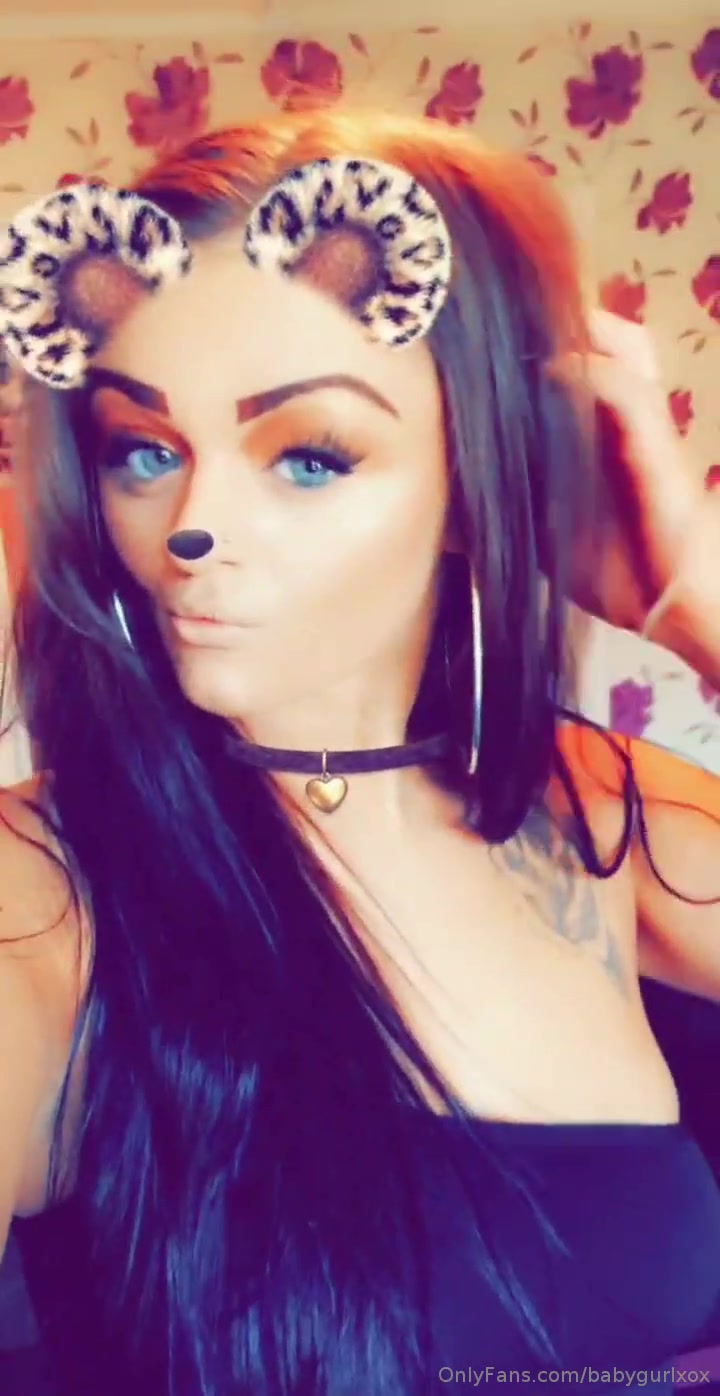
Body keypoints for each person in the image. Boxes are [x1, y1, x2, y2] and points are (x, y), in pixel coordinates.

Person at [0, 107, 720, 1396]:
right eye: (145, 451)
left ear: (481, 477)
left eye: (311, 457)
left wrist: (693, 605)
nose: (193, 528)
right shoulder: (40, 896)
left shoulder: (593, 812)